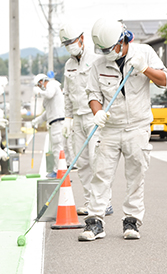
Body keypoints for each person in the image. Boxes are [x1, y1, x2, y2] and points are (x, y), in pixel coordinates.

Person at [78, 18, 167, 241]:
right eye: (102, 50)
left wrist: (144, 68)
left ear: (122, 41)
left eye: (109, 49)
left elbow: (164, 80)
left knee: (136, 174)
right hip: (109, 128)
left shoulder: (145, 52)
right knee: (100, 174)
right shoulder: (99, 64)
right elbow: (93, 94)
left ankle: (132, 221)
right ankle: (95, 222)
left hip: (137, 127)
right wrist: (97, 112)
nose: (106, 54)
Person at [59, 23, 114, 217]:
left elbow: (105, 89)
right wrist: (67, 117)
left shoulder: (97, 60)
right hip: (77, 118)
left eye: (71, 42)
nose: (69, 47)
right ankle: (91, 202)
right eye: (66, 44)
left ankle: (105, 202)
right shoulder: (68, 65)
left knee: (96, 160)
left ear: (82, 39)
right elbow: (67, 94)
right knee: (81, 162)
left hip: (94, 116)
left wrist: (105, 113)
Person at [32, 74, 65, 178]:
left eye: (38, 84)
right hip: (54, 121)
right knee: (56, 147)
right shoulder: (48, 92)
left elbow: (49, 94)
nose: (38, 87)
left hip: (58, 121)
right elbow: (47, 113)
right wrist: (37, 120)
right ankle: (59, 170)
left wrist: (39, 93)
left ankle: (58, 171)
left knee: (57, 148)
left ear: (42, 81)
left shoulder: (51, 85)